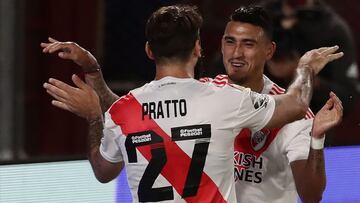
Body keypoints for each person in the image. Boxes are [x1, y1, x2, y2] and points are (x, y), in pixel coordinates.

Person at [41, 5, 343, 203]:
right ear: (202, 48)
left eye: (248, 44)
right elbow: (296, 100)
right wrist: (304, 68)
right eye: (229, 41)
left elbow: (125, 121)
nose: (236, 53)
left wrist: (96, 99)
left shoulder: (129, 110)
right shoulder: (220, 97)